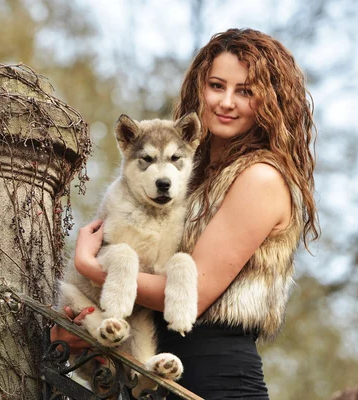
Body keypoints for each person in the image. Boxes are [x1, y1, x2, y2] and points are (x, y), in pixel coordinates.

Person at [51, 28, 319, 399]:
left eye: (244, 91)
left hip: (216, 380)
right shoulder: (189, 174)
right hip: (156, 368)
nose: (226, 101)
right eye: (216, 85)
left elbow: (194, 295)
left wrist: (90, 265)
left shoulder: (260, 178)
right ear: (199, 88)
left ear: (269, 101)